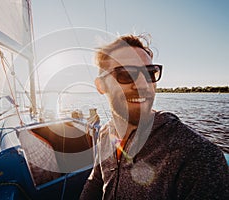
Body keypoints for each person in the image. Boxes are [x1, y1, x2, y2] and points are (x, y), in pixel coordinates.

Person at [80, 34, 229, 200]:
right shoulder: (106, 133)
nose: (143, 84)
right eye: (127, 73)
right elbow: (96, 181)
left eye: (150, 73)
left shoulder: (197, 157)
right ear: (101, 86)